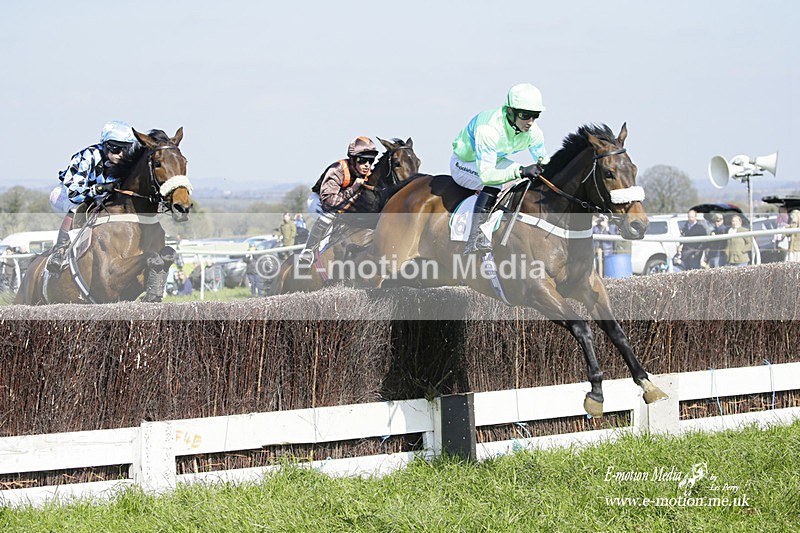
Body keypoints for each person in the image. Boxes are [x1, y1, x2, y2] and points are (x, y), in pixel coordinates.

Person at [451, 83, 550, 254]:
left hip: (494, 159)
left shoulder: (534, 132)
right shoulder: (488, 129)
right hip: (464, 163)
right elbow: (487, 175)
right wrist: (520, 170)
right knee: (496, 184)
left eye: (535, 116)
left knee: (523, 180)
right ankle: (474, 239)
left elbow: (544, 161)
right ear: (510, 111)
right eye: (526, 115)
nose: (530, 122)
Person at [47, 120, 139, 272]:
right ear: (106, 146)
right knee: (77, 206)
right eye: (116, 149)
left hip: (96, 198)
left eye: (126, 149)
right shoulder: (87, 156)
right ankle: (59, 251)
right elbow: (74, 193)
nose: (121, 154)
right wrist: (101, 188)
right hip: (65, 195)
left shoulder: (124, 162)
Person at [298, 136, 379, 265]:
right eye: (362, 160)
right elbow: (329, 203)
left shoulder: (368, 174)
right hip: (320, 201)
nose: (367, 165)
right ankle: (308, 253)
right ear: (352, 159)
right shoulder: (337, 170)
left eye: (370, 161)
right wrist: (353, 188)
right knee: (330, 217)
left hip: (343, 202)